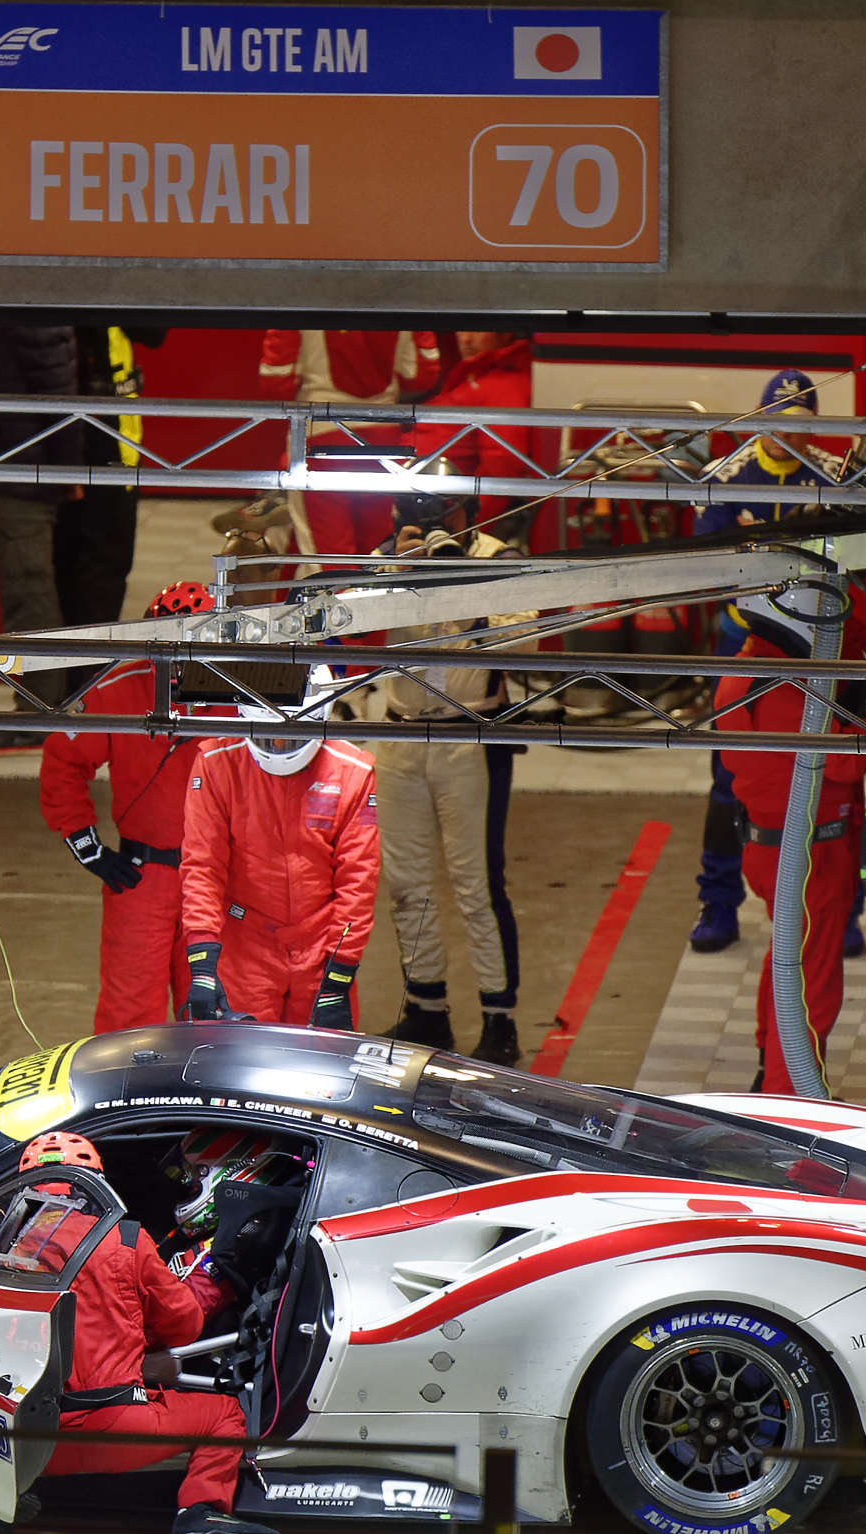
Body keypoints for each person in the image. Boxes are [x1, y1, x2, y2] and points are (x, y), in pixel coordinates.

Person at [0, 1133, 279, 1534]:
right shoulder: (125, 1240)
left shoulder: (0, 1247)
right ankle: (201, 1515)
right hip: (119, 1427)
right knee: (224, 1415)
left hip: (30, 1442)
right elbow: (185, 1324)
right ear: (94, 1181)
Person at [689, 369, 838, 955]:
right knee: (729, 777)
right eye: (775, 424)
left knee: (826, 772)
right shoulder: (727, 476)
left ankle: (839, 909)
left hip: (816, 647)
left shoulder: (835, 475)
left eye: (799, 427)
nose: (786, 437)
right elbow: (702, 558)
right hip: (745, 646)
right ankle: (718, 901)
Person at [372, 496, 525, 1063]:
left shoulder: (501, 558)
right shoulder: (386, 560)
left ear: (466, 514)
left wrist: (462, 581)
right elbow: (351, 626)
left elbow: (525, 640)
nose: (432, 527)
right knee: (406, 883)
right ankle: (425, 1007)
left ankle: (499, 1018)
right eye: (416, 517)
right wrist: (401, 569)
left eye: (442, 517)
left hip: (471, 736)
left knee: (477, 886)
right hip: (401, 733)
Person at [37, 581, 219, 1033]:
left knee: (215, 1009)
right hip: (144, 876)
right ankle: (129, 1101)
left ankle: (204, 1104)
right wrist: (89, 847)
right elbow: (63, 760)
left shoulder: (239, 695)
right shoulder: (118, 689)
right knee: (130, 1016)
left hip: (219, 881)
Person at [713, 589, 866, 1094]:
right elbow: (848, 759)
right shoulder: (780, 689)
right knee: (811, 984)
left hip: (782, 848)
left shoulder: (748, 671)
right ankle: (792, 1098)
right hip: (808, 857)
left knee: (787, 961)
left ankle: (770, 1070)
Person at [180, 668, 381, 1029]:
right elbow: (202, 867)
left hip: (321, 948)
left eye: (289, 737)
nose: (279, 746)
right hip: (244, 948)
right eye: (269, 737)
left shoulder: (352, 772)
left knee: (323, 1074)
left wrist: (339, 973)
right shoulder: (216, 764)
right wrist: (203, 963)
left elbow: (358, 881)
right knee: (239, 1070)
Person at [0, 323, 85, 742]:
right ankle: (37, 707)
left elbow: (59, 401)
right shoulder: (30, 317)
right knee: (28, 597)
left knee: (28, 597)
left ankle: (36, 713)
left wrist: (68, 471)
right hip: (18, 472)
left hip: (21, 475)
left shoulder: (32, 319)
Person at [257, 327, 443, 561]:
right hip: (386, 442)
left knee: (328, 560)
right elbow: (421, 375)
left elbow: (275, 380)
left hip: (320, 440)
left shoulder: (300, 300)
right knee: (378, 555)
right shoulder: (402, 298)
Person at [56, 326, 167, 631]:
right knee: (92, 576)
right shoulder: (101, 286)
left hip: (114, 447)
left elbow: (155, 332)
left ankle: (85, 672)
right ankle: (86, 675)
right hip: (92, 448)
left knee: (95, 574)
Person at [408, 331, 536, 536]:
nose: (466, 339)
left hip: (443, 519)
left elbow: (502, 469)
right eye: (463, 329)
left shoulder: (503, 383)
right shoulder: (474, 376)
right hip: (427, 507)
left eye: (477, 330)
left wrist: (466, 531)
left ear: (505, 334)